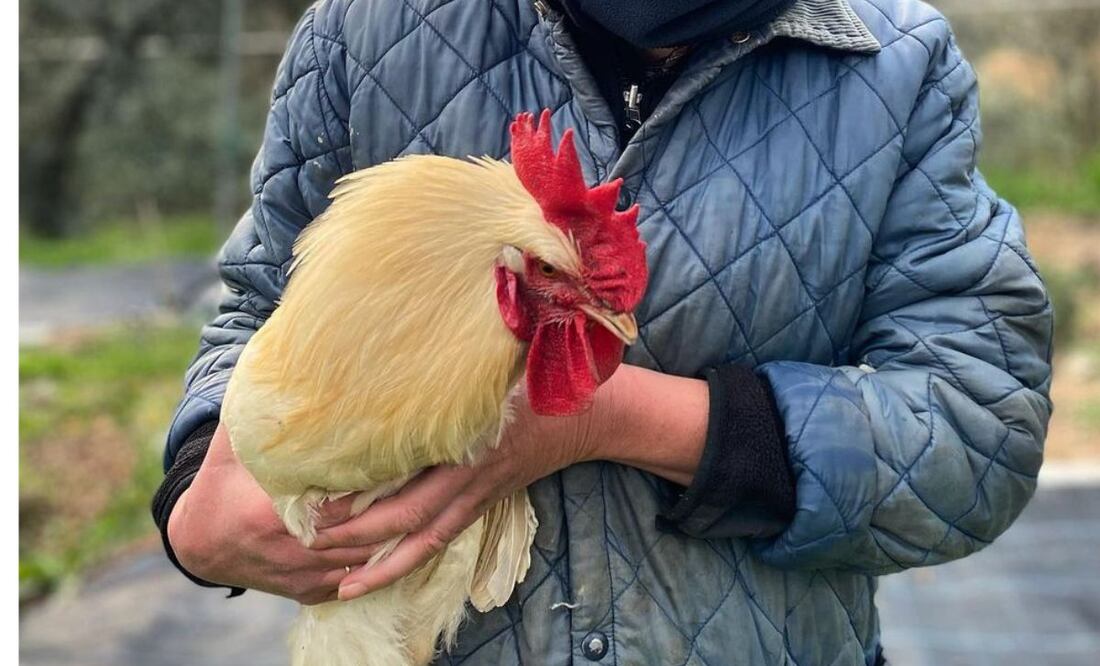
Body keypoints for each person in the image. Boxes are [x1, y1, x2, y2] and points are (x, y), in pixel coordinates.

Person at [152, 0, 1053, 663]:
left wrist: (615, 419)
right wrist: (197, 489)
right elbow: (256, 308)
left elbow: (977, 437)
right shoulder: (366, 32)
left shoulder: (894, 65)